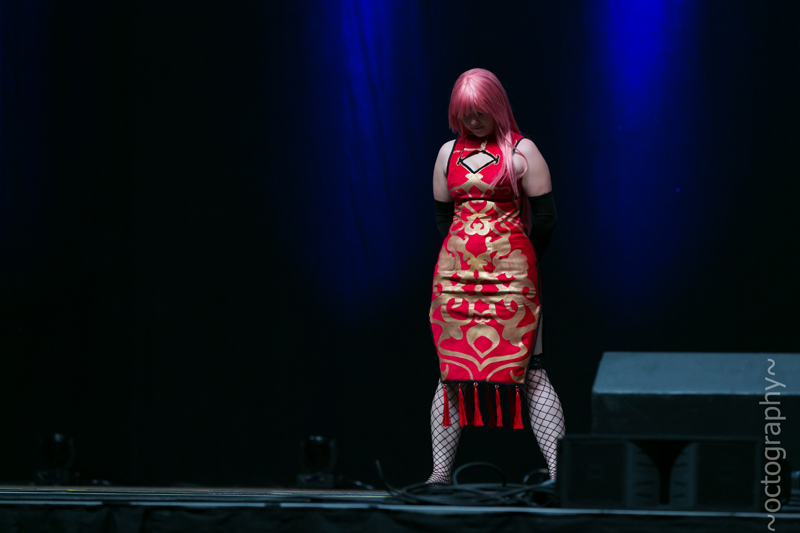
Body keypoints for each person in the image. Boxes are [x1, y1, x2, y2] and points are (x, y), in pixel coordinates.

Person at [427, 68, 565, 484]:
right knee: (450, 374)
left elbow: (545, 218)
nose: (472, 121)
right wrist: (462, 257)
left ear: (497, 107)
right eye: (465, 114)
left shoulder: (523, 151)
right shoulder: (447, 153)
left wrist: (521, 263)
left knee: (532, 370)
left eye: (480, 112)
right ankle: (439, 474)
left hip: (513, 278)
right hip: (456, 278)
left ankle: (561, 473)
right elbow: (443, 217)